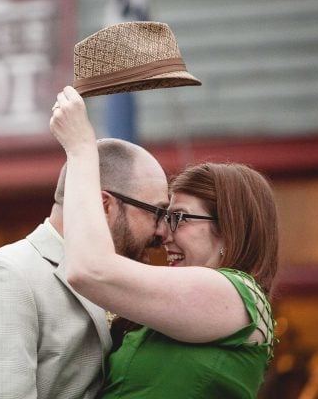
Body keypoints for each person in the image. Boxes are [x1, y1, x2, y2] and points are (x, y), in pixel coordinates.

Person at [50, 85, 279, 398]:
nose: (163, 234)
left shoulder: (236, 294)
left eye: (179, 218)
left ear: (229, 228)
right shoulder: (196, 302)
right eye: (163, 217)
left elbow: (89, 270)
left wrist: (80, 148)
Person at [0, 137, 170, 398]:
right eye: (156, 213)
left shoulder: (117, 285)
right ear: (104, 206)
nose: (164, 232)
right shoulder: (1, 277)